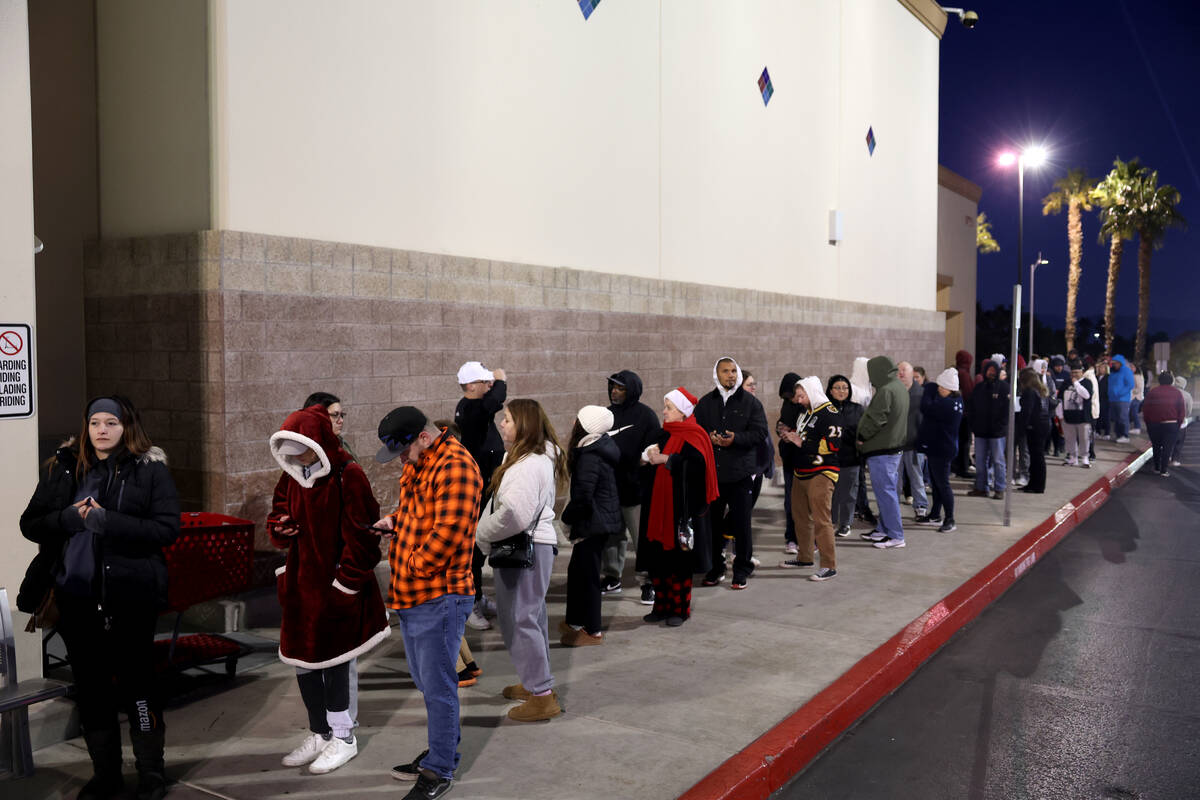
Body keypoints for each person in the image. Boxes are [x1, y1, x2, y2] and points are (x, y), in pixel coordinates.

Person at [20, 396, 180, 800]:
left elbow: (166, 529)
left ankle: (151, 775)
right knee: (92, 691)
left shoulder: (150, 471)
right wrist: (68, 519)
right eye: (95, 423)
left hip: (130, 598)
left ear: (128, 427)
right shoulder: (64, 466)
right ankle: (105, 775)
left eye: (112, 422)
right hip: (76, 599)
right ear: (86, 427)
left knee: (139, 688)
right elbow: (31, 524)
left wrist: (108, 522)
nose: (102, 430)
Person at [268, 404, 389, 775]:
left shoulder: (348, 475)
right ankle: (320, 732)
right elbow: (276, 517)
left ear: (317, 441)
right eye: (288, 444)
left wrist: (345, 585)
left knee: (336, 665)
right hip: (302, 590)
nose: (294, 452)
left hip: (337, 590)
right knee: (304, 664)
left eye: (300, 443)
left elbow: (366, 538)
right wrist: (282, 527)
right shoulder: (291, 477)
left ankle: (343, 737)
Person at [373, 407, 482, 799]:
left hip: (439, 594)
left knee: (438, 687)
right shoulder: (422, 462)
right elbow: (421, 511)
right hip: (413, 594)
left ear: (423, 436)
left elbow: (449, 531)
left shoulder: (456, 466)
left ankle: (440, 769)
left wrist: (415, 563)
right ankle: (440, 749)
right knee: (426, 681)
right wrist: (395, 521)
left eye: (403, 451)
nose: (401, 460)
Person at [475, 399, 570, 720]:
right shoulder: (532, 457)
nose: (502, 424)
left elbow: (514, 513)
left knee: (521, 620)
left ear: (525, 425)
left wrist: (482, 533)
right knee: (530, 618)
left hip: (524, 549)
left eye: (508, 419)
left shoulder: (528, 464)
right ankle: (535, 683)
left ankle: (542, 695)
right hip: (532, 548)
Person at [639, 388, 719, 624]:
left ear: (683, 412)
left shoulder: (696, 435)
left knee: (679, 563)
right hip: (657, 509)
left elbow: (698, 468)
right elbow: (648, 461)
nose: (663, 411)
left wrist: (668, 460)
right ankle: (661, 607)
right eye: (664, 406)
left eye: (669, 407)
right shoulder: (663, 434)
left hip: (680, 510)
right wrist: (647, 457)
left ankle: (679, 609)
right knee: (658, 561)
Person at [693, 356, 769, 589]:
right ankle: (716, 569)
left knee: (741, 525)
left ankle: (742, 569)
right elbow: (696, 430)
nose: (731, 375)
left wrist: (736, 439)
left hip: (740, 474)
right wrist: (709, 437)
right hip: (714, 475)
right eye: (725, 371)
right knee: (713, 525)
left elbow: (759, 433)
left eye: (734, 371)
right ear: (717, 374)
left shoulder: (751, 403)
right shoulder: (705, 403)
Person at [558, 405, 620, 647]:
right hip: (595, 521)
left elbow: (583, 497)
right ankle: (574, 621)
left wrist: (566, 518)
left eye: (577, 419)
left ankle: (592, 630)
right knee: (577, 572)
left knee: (589, 577)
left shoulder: (591, 454)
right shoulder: (593, 448)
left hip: (594, 523)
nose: (573, 422)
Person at [453, 360, 506, 631]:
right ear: (471, 385)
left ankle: (478, 596)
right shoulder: (471, 408)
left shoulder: (474, 407)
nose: (489, 386)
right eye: (484, 382)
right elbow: (495, 401)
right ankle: (471, 602)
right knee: (474, 548)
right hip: (479, 488)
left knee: (481, 546)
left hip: (487, 485)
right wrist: (502, 380)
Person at [602, 370, 662, 603]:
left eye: (620, 388)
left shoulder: (646, 416)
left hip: (636, 489)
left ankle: (649, 582)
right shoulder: (605, 415)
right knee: (612, 536)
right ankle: (612, 576)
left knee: (642, 540)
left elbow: (652, 449)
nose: (614, 392)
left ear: (632, 390)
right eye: (612, 387)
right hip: (610, 487)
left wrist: (640, 460)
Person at [778, 377, 842, 580]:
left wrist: (800, 442)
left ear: (811, 392)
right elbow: (805, 435)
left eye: (801, 396)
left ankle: (828, 565)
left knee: (822, 519)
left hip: (822, 471)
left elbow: (833, 446)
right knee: (800, 517)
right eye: (797, 396)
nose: (798, 400)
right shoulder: (807, 411)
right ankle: (805, 557)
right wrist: (790, 435)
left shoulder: (830, 413)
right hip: (801, 471)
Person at [856, 356, 910, 549]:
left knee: (886, 493)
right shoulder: (898, 387)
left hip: (883, 450)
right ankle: (883, 529)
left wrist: (861, 435)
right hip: (892, 449)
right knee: (887, 491)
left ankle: (896, 535)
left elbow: (876, 419)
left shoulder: (886, 390)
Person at [916, 369, 963, 532]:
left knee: (942, 484)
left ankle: (950, 518)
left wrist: (929, 388)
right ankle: (935, 514)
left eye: (942, 388)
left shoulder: (947, 404)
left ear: (951, 389)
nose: (939, 389)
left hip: (942, 449)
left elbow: (925, 407)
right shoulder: (956, 400)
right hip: (940, 446)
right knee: (936, 483)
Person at [824, 375, 863, 538]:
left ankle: (845, 523)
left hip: (850, 457)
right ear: (830, 390)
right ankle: (830, 521)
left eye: (845, 387)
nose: (841, 391)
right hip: (829, 458)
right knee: (830, 493)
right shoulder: (825, 408)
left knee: (848, 492)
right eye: (837, 387)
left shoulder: (857, 408)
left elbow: (861, 431)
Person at [966, 359, 1009, 499]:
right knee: (980, 461)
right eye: (989, 370)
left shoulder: (1004, 388)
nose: (991, 373)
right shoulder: (979, 388)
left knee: (998, 461)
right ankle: (981, 487)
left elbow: (1008, 410)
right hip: (980, 432)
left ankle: (999, 488)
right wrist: (973, 425)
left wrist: (1001, 426)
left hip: (997, 433)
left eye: (993, 370)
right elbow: (971, 407)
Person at [775, 372, 804, 552]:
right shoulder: (788, 404)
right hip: (790, 458)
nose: (792, 400)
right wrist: (781, 429)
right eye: (787, 398)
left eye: (793, 396)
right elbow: (783, 421)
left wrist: (793, 432)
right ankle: (791, 538)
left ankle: (809, 539)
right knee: (790, 501)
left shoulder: (808, 404)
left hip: (806, 460)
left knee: (807, 503)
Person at [741, 371, 777, 510]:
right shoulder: (739, 408)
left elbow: (765, 437)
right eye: (749, 384)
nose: (753, 387)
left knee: (749, 507)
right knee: (741, 510)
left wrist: (768, 464)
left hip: (758, 468)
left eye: (754, 384)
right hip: (747, 469)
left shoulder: (755, 404)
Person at [897, 362, 928, 517]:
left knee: (916, 476)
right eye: (899, 371)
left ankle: (921, 505)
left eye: (904, 370)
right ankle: (891, 506)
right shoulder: (894, 392)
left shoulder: (921, 393)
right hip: (895, 445)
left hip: (915, 444)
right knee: (895, 479)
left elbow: (926, 420)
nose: (901, 373)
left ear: (911, 374)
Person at [1143, 372, 1187, 477]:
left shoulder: (1152, 392)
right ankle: (1164, 470)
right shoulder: (1177, 393)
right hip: (1171, 424)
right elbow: (1181, 410)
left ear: (1159, 381)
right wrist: (1178, 423)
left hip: (1154, 424)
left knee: (1156, 446)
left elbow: (1146, 409)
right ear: (1172, 381)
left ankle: (1156, 467)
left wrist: (1148, 422)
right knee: (1168, 447)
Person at [1015, 368, 1050, 493]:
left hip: (1035, 426)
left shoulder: (1029, 392)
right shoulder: (1041, 390)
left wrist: (1022, 428)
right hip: (1043, 424)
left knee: (1036, 457)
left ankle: (1037, 485)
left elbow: (1027, 411)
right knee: (1037, 456)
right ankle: (1035, 483)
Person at [1059, 361, 1094, 468]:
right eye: (1072, 373)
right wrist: (1060, 415)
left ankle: (1085, 458)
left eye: (1076, 372)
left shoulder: (1087, 382)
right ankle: (1073, 458)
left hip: (1083, 417)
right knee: (1070, 439)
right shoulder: (1066, 383)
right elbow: (1060, 399)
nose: (1074, 375)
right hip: (1069, 416)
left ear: (1082, 372)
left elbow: (1086, 395)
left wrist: (1076, 383)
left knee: (1084, 438)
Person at [303, 390, 356, 459]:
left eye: (341, 415)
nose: (341, 421)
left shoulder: (340, 442)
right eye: (335, 415)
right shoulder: (303, 451)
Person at [952, 350, 976, 478]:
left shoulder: (957, 372)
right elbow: (968, 394)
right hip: (965, 414)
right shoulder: (964, 374)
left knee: (960, 441)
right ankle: (962, 467)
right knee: (964, 441)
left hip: (959, 413)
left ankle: (958, 465)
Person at [1107, 354, 1134, 443]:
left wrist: (1119, 393)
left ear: (1120, 363)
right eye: (1113, 363)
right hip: (1113, 399)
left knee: (1123, 417)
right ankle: (1118, 435)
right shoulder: (1113, 372)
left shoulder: (1126, 371)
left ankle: (1125, 435)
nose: (1114, 365)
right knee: (1116, 419)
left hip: (1123, 400)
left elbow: (1130, 385)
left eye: (1115, 363)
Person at [1094, 360, 1111, 439]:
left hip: (1105, 399)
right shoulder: (1096, 377)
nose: (1101, 369)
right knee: (1098, 415)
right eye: (1100, 368)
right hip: (1097, 399)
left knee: (1106, 416)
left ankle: (1107, 433)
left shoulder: (1108, 377)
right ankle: (1097, 431)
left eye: (1103, 368)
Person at [1130, 363, 1146, 434]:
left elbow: (1139, 387)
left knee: (1134, 413)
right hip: (1135, 397)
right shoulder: (1136, 375)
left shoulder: (1137, 376)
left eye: (1132, 367)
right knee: (1133, 413)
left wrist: (1130, 390)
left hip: (1136, 397)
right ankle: (1136, 427)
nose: (1131, 368)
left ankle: (1137, 427)